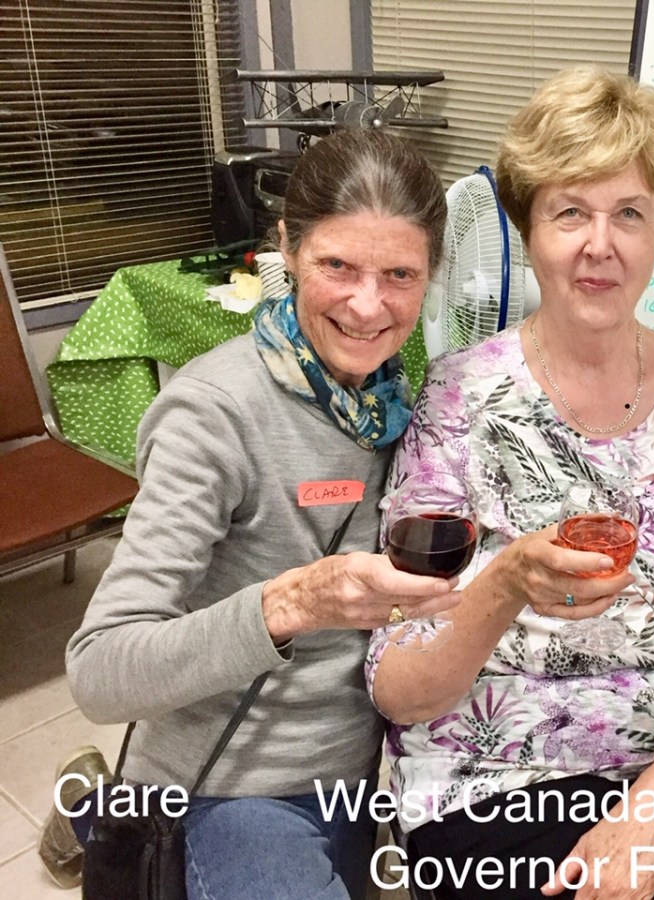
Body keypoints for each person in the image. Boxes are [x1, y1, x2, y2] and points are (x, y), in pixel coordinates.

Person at [366, 66, 654, 899]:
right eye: (570, 212)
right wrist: (505, 583)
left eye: (629, 214)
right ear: (528, 227)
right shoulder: (458, 398)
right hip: (499, 765)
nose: (600, 244)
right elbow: (399, 683)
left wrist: (650, 807)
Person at [44, 129, 459, 899]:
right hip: (232, 785)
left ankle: (91, 802)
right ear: (288, 249)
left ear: (431, 274)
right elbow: (99, 672)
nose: (368, 305)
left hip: (357, 776)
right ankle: (104, 805)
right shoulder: (214, 413)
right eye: (337, 266)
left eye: (399, 274)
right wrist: (291, 602)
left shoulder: (405, 400)